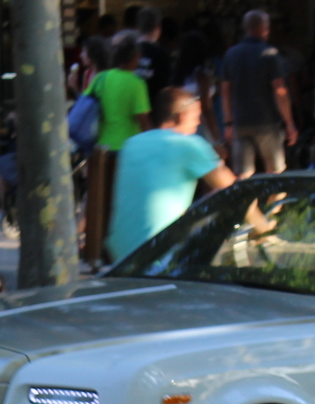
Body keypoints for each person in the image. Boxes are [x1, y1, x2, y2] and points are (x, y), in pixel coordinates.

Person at [107, 86, 234, 261]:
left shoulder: (131, 144)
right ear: (181, 116)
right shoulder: (190, 145)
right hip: (160, 252)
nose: (199, 123)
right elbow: (233, 190)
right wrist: (263, 227)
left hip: (119, 253)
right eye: (197, 117)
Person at [83, 34, 153, 262]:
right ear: (135, 58)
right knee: (121, 204)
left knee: (98, 203)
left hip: (100, 149)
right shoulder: (137, 84)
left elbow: (85, 104)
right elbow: (143, 120)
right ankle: (118, 251)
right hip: (127, 152)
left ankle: (95, 251)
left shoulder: (102, 78)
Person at [220, 9, 295, 177]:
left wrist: (228, 122)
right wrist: (289, 122)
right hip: (267, 122)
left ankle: (247, 204)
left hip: (240, 122)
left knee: (243, 175)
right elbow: (279, 90)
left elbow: (225, 92)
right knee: (275, 173)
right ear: (263, 28)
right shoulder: (270, 54)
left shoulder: (231, 54)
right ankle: (274, 204)